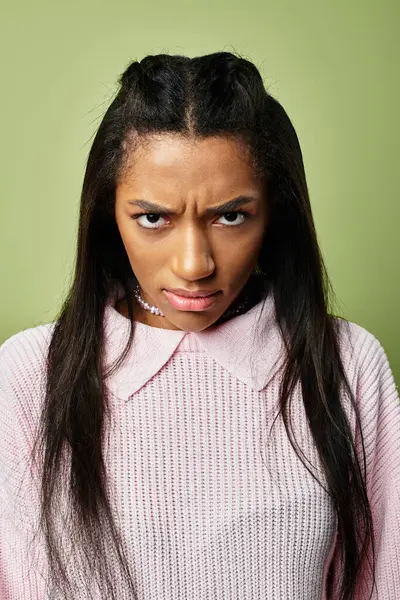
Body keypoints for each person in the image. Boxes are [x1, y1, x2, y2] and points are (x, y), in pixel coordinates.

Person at [0, 51, 399, 600]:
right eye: (153, 218)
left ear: (273, 213)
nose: (194, 264)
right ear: (107, 215)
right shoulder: (28, 376)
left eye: (231, 216)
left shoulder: (347, 362)